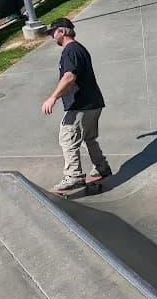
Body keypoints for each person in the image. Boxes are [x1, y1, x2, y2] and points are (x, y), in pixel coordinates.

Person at [41, 17, 111, 191]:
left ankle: (74, 176)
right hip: (93, 103)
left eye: (53, 33)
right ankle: (101, 167)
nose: (52, 36)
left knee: (67, 138)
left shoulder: (70, 50)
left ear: (62, 31)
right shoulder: (79, 48)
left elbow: (69, 77)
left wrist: (53, 97)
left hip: (81, 104)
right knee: (88, 138)